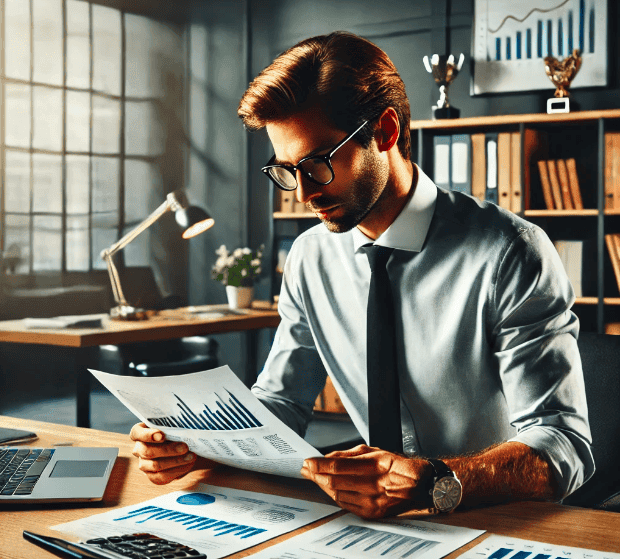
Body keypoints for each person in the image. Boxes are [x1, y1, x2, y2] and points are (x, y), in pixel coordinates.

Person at [130, 31, 594, 520]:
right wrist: (195, 442)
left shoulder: (510, 253)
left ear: (386, 131)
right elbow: (281, 403)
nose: (304, 193)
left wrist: (432, 482)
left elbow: (564, 446)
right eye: (287, 169)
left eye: (318, 163)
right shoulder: (309, 258)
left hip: (495, 520)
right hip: (367, 524)